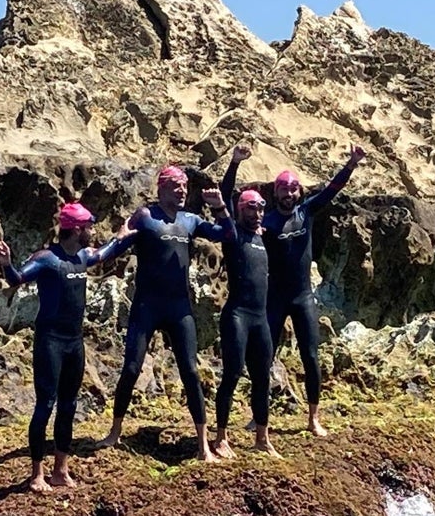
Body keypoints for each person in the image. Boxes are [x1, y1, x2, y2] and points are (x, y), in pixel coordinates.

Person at [0, 202, 135, 492]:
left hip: (74, 342)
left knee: (69, 406)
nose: (93, 232)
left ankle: (61, 469)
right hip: (50, 341)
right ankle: (36, 474)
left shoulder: (82, 256)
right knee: (45, 404)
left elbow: (106, 252)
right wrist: (6, 264)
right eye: (90, 227)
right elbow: (18, 279)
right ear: (78, 229)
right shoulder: (47, 259)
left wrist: (124, 236)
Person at [96, 165, 235, 462]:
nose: (182, 190)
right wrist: (93, 255)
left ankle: (203, 445)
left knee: (191, 372)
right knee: (131, 369)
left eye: (185, 185)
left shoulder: (190, 220)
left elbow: (227, 235)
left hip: (179, 308)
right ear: (160, 188)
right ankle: (114, 432)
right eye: (175, 185)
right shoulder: (146, 216)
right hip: (147, 305)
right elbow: (117, 245)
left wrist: (221, 207)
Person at [263, 145, 366, 436]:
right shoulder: (267, 223)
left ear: (299, 192)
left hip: (303, 298)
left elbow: (332, 189)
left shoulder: (307, 212)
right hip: (275, 297)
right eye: (283, 189)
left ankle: (313, 419)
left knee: (310, 356)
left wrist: (352, 163)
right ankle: (258, 415)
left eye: (294, 189)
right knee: (264, 356)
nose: (289, 194)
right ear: (275, 193)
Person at [213, 144, 280, 458]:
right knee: (232, 374)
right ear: (241, 211)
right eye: (251, 208)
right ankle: (221, 437)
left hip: (260, 318)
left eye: (260, 208)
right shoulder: (233, 235)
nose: (257, 213)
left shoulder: (262, 237)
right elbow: (224, 195)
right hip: (237, 315)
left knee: (262, 378)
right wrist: (234, 163)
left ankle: (262, 439)